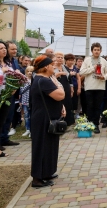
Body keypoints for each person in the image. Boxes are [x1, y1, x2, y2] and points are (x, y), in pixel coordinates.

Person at [30, 55, 65, 188]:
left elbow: (53, 98)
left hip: (48, 116)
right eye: (51, 65)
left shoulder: (43, 79)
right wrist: (57, 83)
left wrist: (61, 106)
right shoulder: (44, 80)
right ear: (45, 67)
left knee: (49, 146)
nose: (54, 67)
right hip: (43, 118)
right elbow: (60, 95)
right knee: (41, 147)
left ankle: (47, 172)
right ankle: (37, 178)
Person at [79, 43, 107, 133]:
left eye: (98, 50)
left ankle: (96, 124)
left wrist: (104, 77)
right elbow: (81, 72)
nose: (96, 51)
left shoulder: (104, 61)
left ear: (100, 51)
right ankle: (89, 124)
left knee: (97, 107)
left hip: (100, 87)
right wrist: (92, 69)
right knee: (90, 106)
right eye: (95, 50)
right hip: (89, 87)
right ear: (92, 51)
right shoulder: (87, 60)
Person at [0, 41, 21, 147]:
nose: (15, 51)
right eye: (12, 49)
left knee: (9, 116)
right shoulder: (3, 61)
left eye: (15, 49)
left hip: (13, 92)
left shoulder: (15, 61)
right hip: (3, 92)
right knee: (2, 117)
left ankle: (5, 138)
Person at [54, 52, 75, 126]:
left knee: (68, 104)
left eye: (61, 57)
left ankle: (68, 122)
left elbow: (70, 79)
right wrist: (59, 74)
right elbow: (50, 78)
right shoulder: (52, 67)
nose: (60, 59)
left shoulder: (64, 67)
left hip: (66, 87)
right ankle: (60, 123)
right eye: (58, 57)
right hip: (57, 88)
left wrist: (71, 88)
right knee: (60, 105)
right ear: (54, 58)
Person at [64, 54, 81, 120]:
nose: (71, 62)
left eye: (72, 60)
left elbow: (78, 78)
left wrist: (79, 88)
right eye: (69, 60)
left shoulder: (75, 68)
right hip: (67, 87)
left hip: (75, 86)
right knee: (68, 102)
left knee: (75, 102)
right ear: (66, 61)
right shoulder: (64, 68)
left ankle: (74, 114)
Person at [20, 66, 34, 137]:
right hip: (25, 100)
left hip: (33, 101)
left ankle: (32, 130)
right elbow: (21, 90)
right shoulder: (23, 80)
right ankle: (27, 129)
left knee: (32, 115)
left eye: (31, 71)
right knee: (26, 116)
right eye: (28, 71)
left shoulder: (35, 80)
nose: (29, 73)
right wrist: (28, 85)